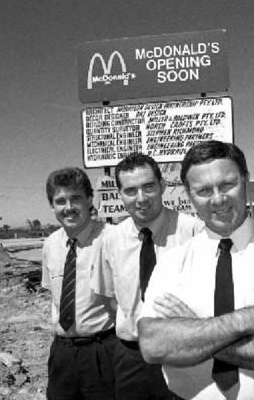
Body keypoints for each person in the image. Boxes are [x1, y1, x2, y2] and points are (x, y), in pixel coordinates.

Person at [138, 140, 254, 400]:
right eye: (203, 190)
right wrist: (247, 320)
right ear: (189, 195)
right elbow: (152, 345)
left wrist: (193, 333)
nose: (218, 199)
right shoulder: (171, 263)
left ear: (245, 181)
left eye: (227, 184)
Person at [90, 152, 204, 400]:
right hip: (132, 357)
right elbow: (110, 300)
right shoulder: (110, 240)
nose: (141, 198)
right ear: (120, 195)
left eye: (148, 187)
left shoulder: (194, 231)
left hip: (185, 352)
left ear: (162, 186)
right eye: (130, 191)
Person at [41, 167, 117, 400]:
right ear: (52, 206)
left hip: (102, 350)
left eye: (76, 198)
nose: (69, 207)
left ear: (89, 200)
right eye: (60, 201)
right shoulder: (51, 244)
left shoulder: (113, 238)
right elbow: (53, 297)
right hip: (62, 353)